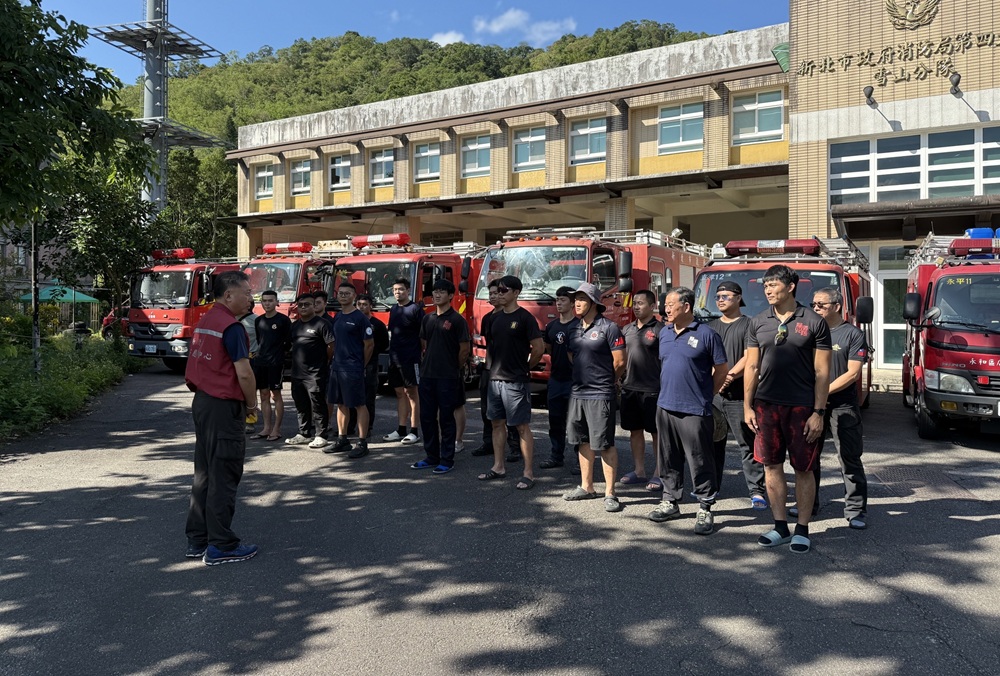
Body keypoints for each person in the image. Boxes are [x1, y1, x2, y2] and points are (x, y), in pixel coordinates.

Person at [745, 264, 831, 554]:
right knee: (770, 465)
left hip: (802, 407)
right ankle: (779, 526)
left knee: (803, 469)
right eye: (765, 285)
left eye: (773, 285)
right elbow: (752, 366)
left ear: (790, 286)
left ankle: (803, 529)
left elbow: (822, 372)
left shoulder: (814, 321)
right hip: (766, 406)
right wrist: (748, 406)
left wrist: (819, 412)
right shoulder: (757, 321)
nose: (768, 290)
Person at [183, 270, 259, 565]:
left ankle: (197, 539)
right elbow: (244, 371)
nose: (250, 298)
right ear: (229, 295)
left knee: (204, 473)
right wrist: (251, 405)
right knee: (225, 475)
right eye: (247, 293)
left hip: (202, 402)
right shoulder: (232, 327)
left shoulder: (206, 320)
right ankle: (221, 545)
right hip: (223, 408)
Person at [647, 287, 729, 535]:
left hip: (695, 408)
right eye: (665, 304)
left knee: (700, 459)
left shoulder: (706, 335)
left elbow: (722, 370)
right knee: (668, 457)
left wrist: (707, 395)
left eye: (671, 304)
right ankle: (670, 500)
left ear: (687, 306)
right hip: (665, 405)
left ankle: (705, 506)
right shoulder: (665, 333)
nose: (666, 308)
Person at [561, 282, 627, 512]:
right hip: (578, 392)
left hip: (601, 393)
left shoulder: (610, 328)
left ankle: (610, 493)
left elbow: (619, 362)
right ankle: (586, 487)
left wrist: (607, 380)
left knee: (605, 443)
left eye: (581, 299)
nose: (576, 303)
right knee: (583, 441)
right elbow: (572, 355)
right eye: (575, 299)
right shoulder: (573, 328)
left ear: (593, 303)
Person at [810, 286, 869, 530]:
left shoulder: (852, 335)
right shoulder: (810, 332)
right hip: (813, 407)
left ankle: (855, 510)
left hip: (842, 406)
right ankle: (808, 504)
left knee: (849, 458)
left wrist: (822, 394)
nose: (815, 308)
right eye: (813, 304)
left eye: (820, 304)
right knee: (809, 459)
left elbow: (853, 374)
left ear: (836, 306)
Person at [478, 275, 543, 490]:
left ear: (516, 293)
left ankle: (528, 473)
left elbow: (539, 348)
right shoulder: (494, 319)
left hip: (516, 381)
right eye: (499, 290)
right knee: (497, 423)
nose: (500, 294)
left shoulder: (525, 318)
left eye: (505, 290)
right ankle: (498, 466)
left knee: (521, 427)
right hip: (495, 379)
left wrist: (526, 368)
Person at [707, 281, 767, 509]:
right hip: (715, 396)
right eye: (718, 296)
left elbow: (751, 357)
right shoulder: (710, 326)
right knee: (713, 443)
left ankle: (756, 491)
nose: (721, 300)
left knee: (748, 445)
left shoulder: (749, 325)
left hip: (740, 397)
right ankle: (711, 488)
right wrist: (716, 378)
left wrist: (728, 376)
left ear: (739, 298)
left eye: (726, 296)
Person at [411, 279, 471, 474]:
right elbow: (423, 343)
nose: (437, 295)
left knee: (446, 418)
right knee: (427, 417)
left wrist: (455, 367)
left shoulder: (456, 320)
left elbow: (464, 350)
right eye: (435, 291)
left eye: (442, 292)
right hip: (428, 375)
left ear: (451, 295)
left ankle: (447, 458)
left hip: (448, 376)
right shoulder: (427, 319)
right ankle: (431, 456)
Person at [617, 289, 663, 491]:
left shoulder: (662, 330)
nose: (636, 306)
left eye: (641, 303)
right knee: (634, 431)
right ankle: (639, 471)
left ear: (652, 306)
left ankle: (659, 473)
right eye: (634, 303)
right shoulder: (626, 329)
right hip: (630, 388)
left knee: (656, 433)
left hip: (653, 389)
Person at [470, 279, 520, 459]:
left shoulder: (515, 316)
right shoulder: (487, 318)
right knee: (487, 410)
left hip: (509, 371)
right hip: (489, 369)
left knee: (511, 412)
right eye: (490, 293)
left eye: (497, 292)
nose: (494, 296)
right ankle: (488, 443)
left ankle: (515, 447)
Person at [326, 282, 374, 458]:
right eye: (341, 293)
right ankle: (342, 440)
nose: (343, 296)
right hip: (337, 367)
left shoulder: (360, 318)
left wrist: (360, 365)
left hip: (353, 368)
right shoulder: (338, 316)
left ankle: (362, 443)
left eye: (347, 293)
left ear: (354, 296)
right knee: (340, 403)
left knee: (359, 404)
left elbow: (369, 345)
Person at [285, 292, 334, 449]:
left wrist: (324, 362)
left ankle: (321, 435)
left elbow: (331, 346)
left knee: (318, 404)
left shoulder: (322, 324)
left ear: (314, 306)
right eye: (301, 305)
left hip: (315, 373)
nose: (304, 307)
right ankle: (304, 433)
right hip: (297, 373)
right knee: (301, 404)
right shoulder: (295, 326)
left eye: (307, 304)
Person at [539, 285, 580, 469]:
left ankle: (581, 460)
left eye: (563, 300)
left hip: (574, 381)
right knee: (555, 420)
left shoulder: (579, 326)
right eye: (558, 300)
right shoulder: (552, 326)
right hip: (556, 379)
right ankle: (556, 456)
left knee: (577, 422)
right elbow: (548, 348)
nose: (559, 303)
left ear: (572, 304)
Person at [385, 278, 422, 444]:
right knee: (399, 393)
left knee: (412, 393)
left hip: (411, 358)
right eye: (394, 290)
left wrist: (421, 355)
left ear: (408, 291)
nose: (397, 292)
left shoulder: (415, 309)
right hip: (395, 358)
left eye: (400, 289)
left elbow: (423, 336)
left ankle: (414, 431)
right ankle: (401, 429)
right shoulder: (393, 309)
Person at [252, 290, 291, 441]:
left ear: (276, 302)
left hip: (276, 362)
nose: (267, 303)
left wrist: (280, 355)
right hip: (261, 362)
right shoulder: (258, 321)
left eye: (270, 300)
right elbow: (259, 340)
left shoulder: (283, 320)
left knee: (276, 395)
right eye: (264, 301)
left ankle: (277, 429)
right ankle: (266, 427)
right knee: (263, 395)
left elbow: (288, 342)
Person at [348, 293, 388, 437]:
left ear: (371, 306)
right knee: (350, 397)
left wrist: (372, 353)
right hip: (352, 362)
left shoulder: (378, 325)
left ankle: (367, 427)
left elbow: (384, 344)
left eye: (365, 304)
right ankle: (350, 426)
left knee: (368, 397)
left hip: (371, 363)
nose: (362, 307)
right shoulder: (351, 322)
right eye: (359, 304)